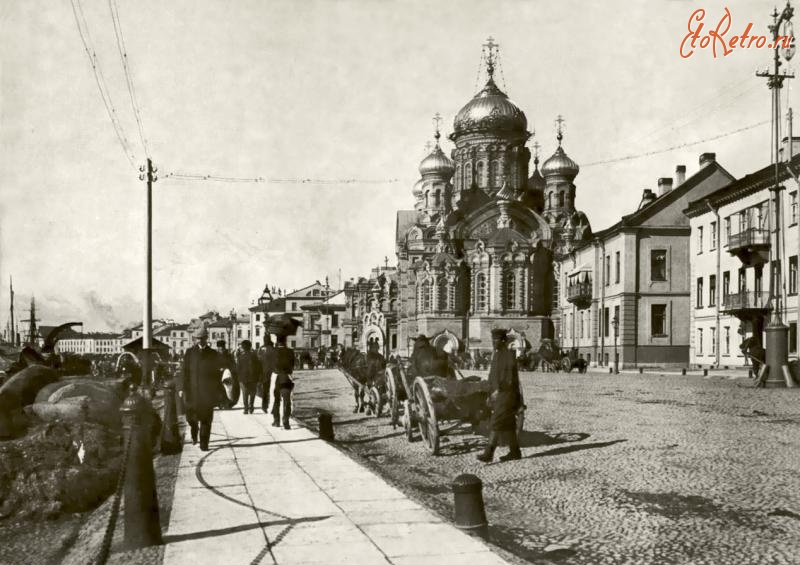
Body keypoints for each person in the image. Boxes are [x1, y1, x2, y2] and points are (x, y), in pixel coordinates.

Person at [477, 328, 523, 463]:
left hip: (506, 394)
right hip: (500, 393)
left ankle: (489, 452)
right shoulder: (497, 355)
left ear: (503, 341)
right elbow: (493, 376)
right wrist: (491, 391)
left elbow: (509, 378)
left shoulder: (508, 355)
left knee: (496, 421)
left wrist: (498, 390)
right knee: (508, 424)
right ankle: (515, 452)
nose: (493, 342)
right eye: (492, 340)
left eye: (496, 340)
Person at [181, 327, 222, 451]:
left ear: (206, 338)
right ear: (195, 339)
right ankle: (194, 432)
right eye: (197, 339)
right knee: (191, 418)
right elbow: (185, 372)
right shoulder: (189, 353)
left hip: (207, 393)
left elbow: (217, 373)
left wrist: (217, 389)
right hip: (192, 392)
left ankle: (204, 444)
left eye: (202, 338)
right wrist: (182, 387)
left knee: (206, 419)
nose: (200, 341)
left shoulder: (213, 354)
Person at [271, 334, 295, 429]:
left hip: (276, 377)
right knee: (287, 400)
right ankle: (286, 422)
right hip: (287, 378)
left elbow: (271, 365)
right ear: (285, 342)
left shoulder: (274, 352)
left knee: (276, 400)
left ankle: (276, 421)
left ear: (277, 342)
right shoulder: (290, 351)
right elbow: (293, 364)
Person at [236, 340, 261, 414]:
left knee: (245, 393)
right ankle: (251, 407)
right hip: (253, 377)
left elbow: (238, 368)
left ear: (243, 347)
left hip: (243, 378)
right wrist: (259, 376)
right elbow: (259, 367)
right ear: (250, 347)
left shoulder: (240, 357)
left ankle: (246, 408)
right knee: (253, 393)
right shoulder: (254, 356)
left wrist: (238, 377)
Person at [216, 339, 239, 409]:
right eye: (219, 347)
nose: (221, 349)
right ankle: (220, 404)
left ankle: (227, 403)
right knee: (219, 390)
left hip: (227, 375)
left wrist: (226, 368)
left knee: (228, 390)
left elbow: (232, 364)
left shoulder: (229, 355)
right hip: (218, 375)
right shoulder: (215, 355)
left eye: (222, 347)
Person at [259, 336, 276, 413]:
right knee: (273, 391)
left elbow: (258, 361)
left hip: (264, 373)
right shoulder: (273, 349)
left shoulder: (261, 349)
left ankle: (264, 406)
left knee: (265, 391)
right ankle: (272, 407)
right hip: (273, 373)